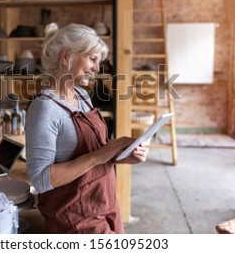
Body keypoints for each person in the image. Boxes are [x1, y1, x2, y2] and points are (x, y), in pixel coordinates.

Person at [25, 23, 149, 234]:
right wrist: (100, 155)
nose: (96, 68)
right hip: (74, 219)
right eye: (92, 59)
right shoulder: (44, 108)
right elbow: (41, 179)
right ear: (66, 56)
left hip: (103, 203)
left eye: (98, 61)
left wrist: (123, 155)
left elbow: (96, 151)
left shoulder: (82, 95)